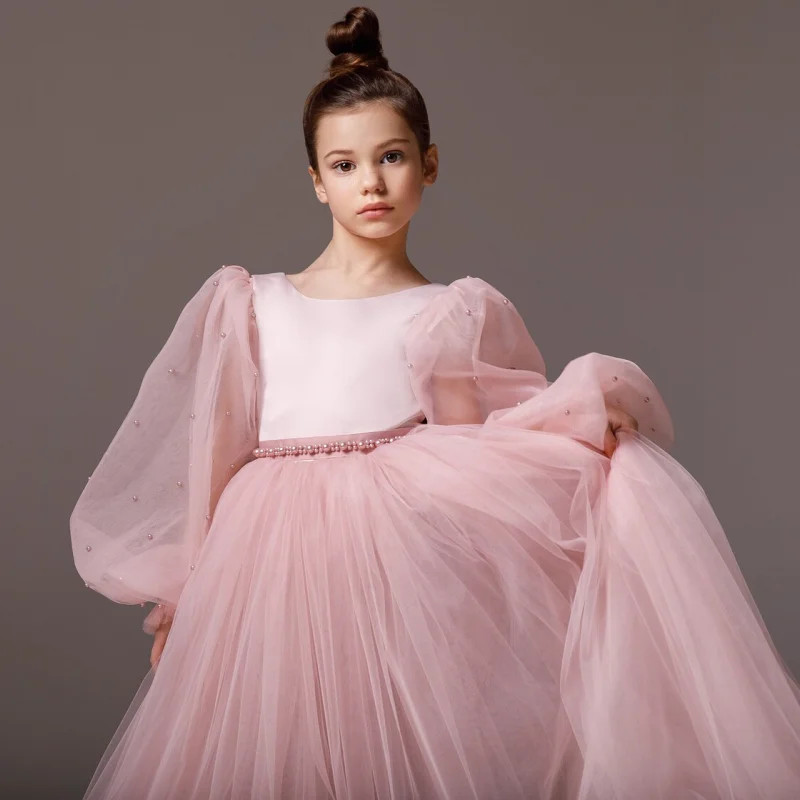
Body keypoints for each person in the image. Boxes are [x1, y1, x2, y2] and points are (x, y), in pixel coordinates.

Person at [70, 6, 800, 799]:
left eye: (391, 157)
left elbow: (476, 455)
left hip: (395, 566)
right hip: (263, 567)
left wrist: (577, 428)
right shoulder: (251, 302)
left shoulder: (453, 311)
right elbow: (210, 455)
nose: (371, 182)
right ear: (316, 182)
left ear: (431, 162)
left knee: (387, 752)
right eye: (344, 165)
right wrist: (183, 595)